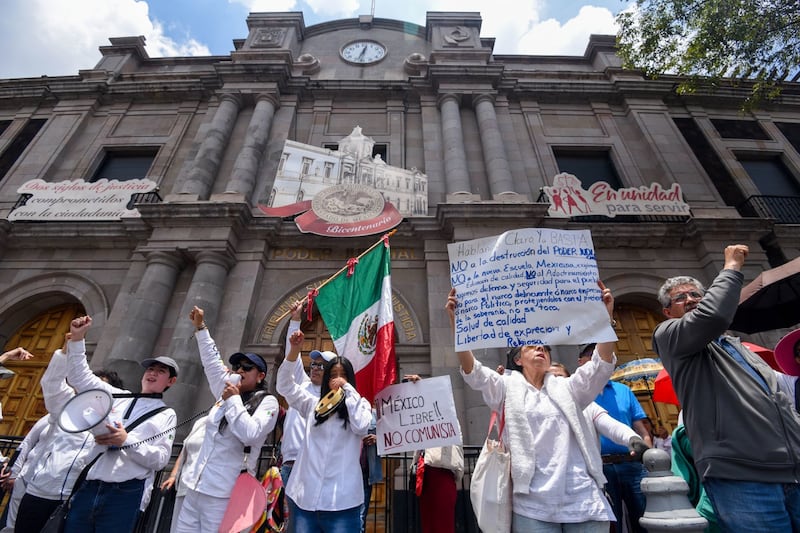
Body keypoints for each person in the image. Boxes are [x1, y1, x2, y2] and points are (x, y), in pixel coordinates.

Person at [446, 282, 618, 530]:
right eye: (531, 345)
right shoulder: (504, 388)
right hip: (531, 504)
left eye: (545, 347)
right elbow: (473, 371)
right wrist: (458, 325)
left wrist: (606, 318)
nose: (540, 348)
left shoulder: (570, 388)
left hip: (582, 499)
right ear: (518, 359)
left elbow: (601, 364)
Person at [652, 244, 800, 532]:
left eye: (697, 294)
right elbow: (712, 316)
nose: (691, 299)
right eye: (680, 298)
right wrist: (731, 267)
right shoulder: (669, 336)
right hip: (743, 477)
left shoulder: (739, 348)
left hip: (791, 470)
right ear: (668, 312)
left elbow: (779, 399)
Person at [64, 315, 178, 533]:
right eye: (150, 369)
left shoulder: (167, 414)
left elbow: (161, 459)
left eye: (161, 371)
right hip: (90, 486)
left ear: (171, 381)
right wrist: (77, 339)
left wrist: (126, 440)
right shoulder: (117, 396)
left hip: (125, 493)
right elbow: (80, 378)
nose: (152, 373)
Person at [175, 306, 279, 533]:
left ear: (260, 375)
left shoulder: (267, 402)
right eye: (237, 366)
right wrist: (201, 328)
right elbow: (212, 363)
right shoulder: (226, 392)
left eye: (247, 368)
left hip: (225, 493)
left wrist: (233, 400)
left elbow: (249, 434)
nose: (240, 370)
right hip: (195, 487)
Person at [14, 334, 126, 533]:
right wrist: (66, 349)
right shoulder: (67, 404)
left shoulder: (116, 420)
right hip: (38, 491)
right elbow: (51, 383)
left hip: (74, 497)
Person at [278, 328, 372, 533]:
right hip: (305, 498)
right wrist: (294, 351)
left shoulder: (359, 405)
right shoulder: (311, 404)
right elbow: (284, 386)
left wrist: (347, 389)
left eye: (343, 375)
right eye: (333, 375)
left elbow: (362, 425)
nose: (337, 379)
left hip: (341, 502)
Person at [577, 343, 652, 532]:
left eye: (600, 354)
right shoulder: (578, 393)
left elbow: (641, 429)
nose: (597, 360)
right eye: (592, 356)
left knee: (645, 517)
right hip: (601, 468)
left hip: (632, 465)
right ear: (581, 362)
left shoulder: (623, 390)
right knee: (612, 522)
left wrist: (647, 454)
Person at [278, 302, 334, 533]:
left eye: (321, 365)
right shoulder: (301, 386)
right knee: (289, 525)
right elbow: (291, 355)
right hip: (290, 465)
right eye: (313, 364)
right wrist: (295, 320)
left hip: (316, 467)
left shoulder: (335, 398)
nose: (315, 368)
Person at [403, 375, 463, 533]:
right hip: (424, 477)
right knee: (428, 525)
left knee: (443, 526)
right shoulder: (423, 421)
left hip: (442, 475)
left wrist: (423, 387)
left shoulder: (449, 419)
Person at [158, 415, 207, 532]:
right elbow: (185, 449)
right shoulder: (201, 422)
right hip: (185, 484)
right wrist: (173, 475)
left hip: (206, 490)